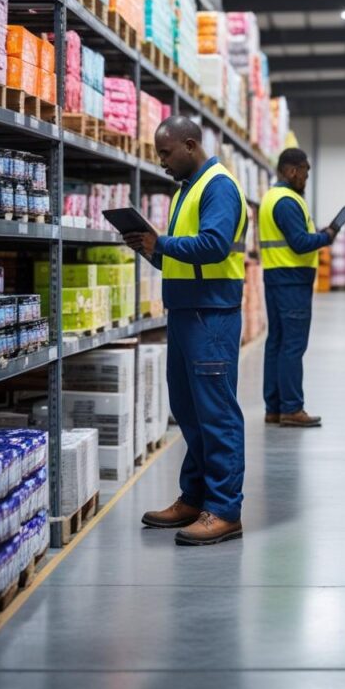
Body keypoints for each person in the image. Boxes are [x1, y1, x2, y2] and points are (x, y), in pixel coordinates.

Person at [123, 115, 248, 546]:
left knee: (216, 414)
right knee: (190, 412)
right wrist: (150, 250)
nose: (161, 162)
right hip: (184, 312)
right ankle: (194, 497)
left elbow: (213, 246)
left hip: (211, 315)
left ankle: (225, 509)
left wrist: (161, 243)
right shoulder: (186, 191)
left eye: (165, 153)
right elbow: (181, 257)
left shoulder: (219, 186)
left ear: (190, 146)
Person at [259, 148, 335, 427]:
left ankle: (274, 407)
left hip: (276, 277)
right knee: (292, 345)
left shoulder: (271, 197)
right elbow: (300, 243)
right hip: (292, 281)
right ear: (292, 171)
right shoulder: (287, 201)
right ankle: (291, 408)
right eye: (305, 172)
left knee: (277, 343)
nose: (306, 177)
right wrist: (326, 236)